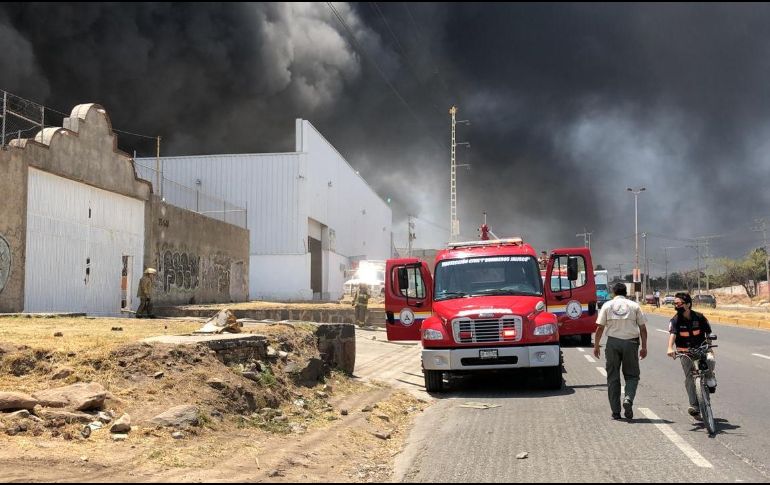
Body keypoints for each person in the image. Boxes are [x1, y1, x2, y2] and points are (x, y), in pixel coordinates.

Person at [594, 282, 648, 420]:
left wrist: (596, 345)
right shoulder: (634, 306)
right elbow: (643, 328)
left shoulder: (607, 305)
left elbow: (600, 328)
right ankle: (628, 398)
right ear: (626, 293)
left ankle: (616, 412)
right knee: (632, 376)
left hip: (612, 343)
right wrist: (644, 347)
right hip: (631, 343)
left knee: (613, 377)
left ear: (613, 293)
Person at [666, 292, 717, 418]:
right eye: (675, 303)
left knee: (710, 361)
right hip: (685, 352)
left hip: (701, 349)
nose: (676, 306)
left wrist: (709, 347)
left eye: (679, 303)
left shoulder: (700, 317)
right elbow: (673, 334)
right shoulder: (675, 320)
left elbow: (708, 333)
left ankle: (710, 376)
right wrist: (670, 348)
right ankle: (694, 406)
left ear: (688, 304)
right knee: (689, 378)